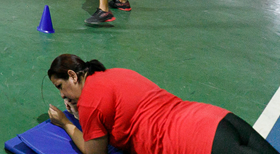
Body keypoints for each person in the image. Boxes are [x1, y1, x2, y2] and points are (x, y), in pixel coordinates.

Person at [47, 54, 279, 154]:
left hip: (194, 144)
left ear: (73, 76)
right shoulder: (115, 74)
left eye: (59, 86)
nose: (61, 95)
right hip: (217, 120)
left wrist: (66, 123)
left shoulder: (90, 103)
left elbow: (93, 151)